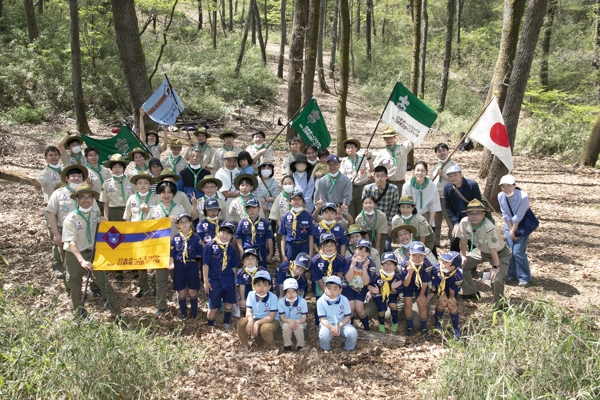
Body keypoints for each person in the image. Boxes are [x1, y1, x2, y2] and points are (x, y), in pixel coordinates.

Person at [62, 183, 122, 319]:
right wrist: (82, 261)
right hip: (75, 256)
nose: (86, 200)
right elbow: (71, 243)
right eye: (82, 197)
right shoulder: (71, 218)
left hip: (94, 254)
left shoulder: (96, 215)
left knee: (104, 284)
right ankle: (80, 314)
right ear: (77, 199)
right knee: (75, 286)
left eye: (89, 197)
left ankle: (117, 313)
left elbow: (107, 234)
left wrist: (104, 223)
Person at [45, 165, 100, 287]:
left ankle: (94, 287)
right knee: (68, 263)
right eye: (73, 176)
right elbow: (51, 214)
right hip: (65, 232)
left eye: (79, 176)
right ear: (67, 178)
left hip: (87, 232)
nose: (76, 178)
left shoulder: (88, 194)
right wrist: (56, 234)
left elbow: (97, 214)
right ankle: (71, 289)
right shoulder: (58, 193)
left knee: (91, 260)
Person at [457, 199, 512, 306]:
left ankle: (499, 304)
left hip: (499, 253)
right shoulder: (464, 222)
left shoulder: (489, 227)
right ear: (467, 214)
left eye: (478, 213)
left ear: (484, 214)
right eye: (471, 213)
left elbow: (493, 250)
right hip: (482, 250)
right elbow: (463, 240)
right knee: (462, 264)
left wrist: (496, 267)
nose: (474, 216)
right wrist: (463, 256)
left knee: (496, 279)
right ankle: (470, 292)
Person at [147, 180, 186, 316]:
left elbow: (186, 227)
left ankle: (181, 304)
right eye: (163, 192)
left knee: (179, 277)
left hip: (176, 248)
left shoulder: (179, 208)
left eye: (169, 192)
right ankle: (161, 305)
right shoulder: (154, 209)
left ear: (173, 194)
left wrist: (179, 222)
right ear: (159, 194)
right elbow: (147, 228)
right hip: (159, 249)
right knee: (160, 279)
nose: (166, 195)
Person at [27, 146, 66, 278]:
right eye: (50, 155)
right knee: (56, 237)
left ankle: (69, 263)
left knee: (69, 235)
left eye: (55, 155)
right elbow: (39, 184)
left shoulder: (65, 170)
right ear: (45, 158)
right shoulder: (46, 172)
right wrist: (33, 180)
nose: (54, 157)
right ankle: (58, 266)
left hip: (67, 208)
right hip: (52, 209)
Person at [124, 171, 158, 298]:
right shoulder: (132, 198)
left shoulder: (156, 197)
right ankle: (143, 286)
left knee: (154, 259)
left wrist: (148, 211)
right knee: (140, 260)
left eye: (146, 183)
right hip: (136, 235)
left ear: (150, 185)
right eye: (140, 183)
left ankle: (155, 286)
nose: (143, 185)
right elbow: (127, 218)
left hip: (152, 234)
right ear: (136, 186)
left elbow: (160, 216)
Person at [203, 221, 239, 329]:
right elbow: (205, 265)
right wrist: (205, 281)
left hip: (228, 279)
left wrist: (235, 281)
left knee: (228, 302)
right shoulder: (209, 246)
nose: (225, 236)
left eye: (229, 234)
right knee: (213, 306)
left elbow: (234, 267)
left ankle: (226, 322)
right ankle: (210, 325)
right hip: (214, 280)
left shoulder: (231, 249)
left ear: (232, 236)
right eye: (223, 232)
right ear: (218, 232)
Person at [498, 175, 533, 287]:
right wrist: (510, 229)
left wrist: (514, 230)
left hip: (522, 226)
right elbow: (505, 214)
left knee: (518, 251)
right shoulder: (501, 196)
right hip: (509, 225)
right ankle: (511, 274)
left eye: (508, 186)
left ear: (514, 185)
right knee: (510, 251)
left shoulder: (523, 196)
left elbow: (520, 215)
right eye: (503, 186)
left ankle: (524, 277)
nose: (506, 188)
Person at [402, 161, 440, 254]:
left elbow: (433, 206)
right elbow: (404, 204)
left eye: (422, 171)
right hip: (411, 215)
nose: (419, 173)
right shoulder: (407, 185)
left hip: (426, 216)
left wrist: (430, 223)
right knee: (413, 242)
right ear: (413, 171)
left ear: (426, 172)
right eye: (417, 170)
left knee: (429, 245)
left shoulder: (432, 186)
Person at [169, 213, 203, 320]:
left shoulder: (196, 237)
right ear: (177, 225)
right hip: (179, 266)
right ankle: (183, 312)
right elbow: (171, 254)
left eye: (187, 222)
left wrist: (191, 255)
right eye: (181, 222)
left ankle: (194, 313)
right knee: (181, 291)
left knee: (192, 291)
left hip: (192, 265)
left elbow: (200, 253)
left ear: (190, 223)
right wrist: (171, 263)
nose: (184, 224)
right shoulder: (174, 239)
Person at [237, 270, 280, 351]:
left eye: (264, 285)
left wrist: (257, 323)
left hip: (271, 320)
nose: (261, 288)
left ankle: (271, 346)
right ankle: (244, 345)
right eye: (258, 285)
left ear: (269, 287)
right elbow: (249, 312)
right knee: (242, 322)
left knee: (265, 328)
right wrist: (250, 320)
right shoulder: (251, 295)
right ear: (254, 286)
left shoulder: (273, 297)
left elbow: (271, 317)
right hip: (255, 317)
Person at [443, 165, 482, 252]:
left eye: (455, 175)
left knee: (472, 241)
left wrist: (473, 218)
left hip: (472, 216)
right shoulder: (447, 188)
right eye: (450, 176)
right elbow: (448, 206)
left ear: (461, 175)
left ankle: (472, 263)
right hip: (458, 217)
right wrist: (455, 222)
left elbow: (478, 203)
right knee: (454, 240)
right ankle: (453, 262)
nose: (453, 178)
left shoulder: (472, 185)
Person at [399, 241, 433, 339]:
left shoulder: (427, 265)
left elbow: (425, 282)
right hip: (408, 285)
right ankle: (410, 327)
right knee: (408, 303)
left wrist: (422, 295)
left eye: (420, 255)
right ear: (409, 254)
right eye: (414, 255)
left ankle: (423, 327)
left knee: (422, 304)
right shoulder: (405, 264)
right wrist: (409, 273)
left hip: (421, 286)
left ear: (424, 256)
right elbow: (405, 284)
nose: (417, 258)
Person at [311, 233, 346, 325]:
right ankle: (318, 323)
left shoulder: (340, 259)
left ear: (336, 246)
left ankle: (337, 321)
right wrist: (325, 290)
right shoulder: (316, 260)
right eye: (325, 245)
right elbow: (317, 277)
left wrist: (335, 289)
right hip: (321, 284)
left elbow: (340, 275)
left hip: (336, 284)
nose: (329, 247)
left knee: (337, 301)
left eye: (332, 245)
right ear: (320, 247)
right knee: (320, 301)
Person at [317, 275, 358, 352]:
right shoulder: (320, 301)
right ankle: (325, 349)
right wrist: (331, 327)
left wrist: (339, 326)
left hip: (342, 324)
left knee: (352, 333)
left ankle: (349, 349)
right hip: (327, 325)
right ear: (325, 288)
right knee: (323, 334)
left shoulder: (344, 299)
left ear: (340, 290)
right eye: (329, 288)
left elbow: (347, 317)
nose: (331, 291)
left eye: (335, 288)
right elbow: (323, 319)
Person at [362, 165, 400, 245]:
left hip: (385, 223)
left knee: (386, 246)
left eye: (382, 176)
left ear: (387, 177)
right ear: (373, 177)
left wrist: (389, 224)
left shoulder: (393, 189)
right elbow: (364, 207)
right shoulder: (367, 189)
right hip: (370, 222)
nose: (380, 178)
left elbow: (394, 208)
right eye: (377, 176)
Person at [343, 239, 375, 331]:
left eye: (366, 251)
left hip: (362, 288)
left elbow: (366, 283)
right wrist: (353, 265)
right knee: (351, 308)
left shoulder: (370, 263)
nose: (362, 253)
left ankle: (367, 328)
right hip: (348, 288)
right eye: (360, 249)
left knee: (359, 309)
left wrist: (364, 268)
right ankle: (349, 326)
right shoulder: (348, 260)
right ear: (355, 250)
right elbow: (348, 279)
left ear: (369, 253)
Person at [430, 251, 463, 339]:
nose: (442, 263)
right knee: (442, 303)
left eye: (445, 262)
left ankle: (456, 328)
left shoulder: (458, 275)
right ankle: (437, 325)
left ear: (452, 267)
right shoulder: (436, 270)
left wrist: (451, 298)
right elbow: (436, 283)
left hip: (452, 290)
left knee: (452, 305)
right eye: (442, 260)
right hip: (441, 289)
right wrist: (443, 295)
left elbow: (453, 289)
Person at [367, 252, 403, 333]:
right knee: (382, 308)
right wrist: (370, 292)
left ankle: (395, 322)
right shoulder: (377, 275)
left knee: (393, 304)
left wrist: (392, 288)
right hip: (378, 295)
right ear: (381, 265)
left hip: (391, 294)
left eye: (391, 264)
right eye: (385, 264)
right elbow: (370, 285)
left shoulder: (397, 276)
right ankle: (381, 324)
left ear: (395, 265)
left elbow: (396, 292)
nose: (388, 266)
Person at [431, 143, 458, 248]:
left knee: (450, 220)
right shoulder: (435, 167)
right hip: (436, 197)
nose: (442, 153)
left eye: (444, 150)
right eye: (439, 151)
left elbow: (456, 180)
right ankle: (436, 242)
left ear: (447, 151)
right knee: (436, 222)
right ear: (436, 154)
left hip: (447, 197)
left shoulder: (453, 165)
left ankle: (454, 241)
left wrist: (443, 174)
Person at [278, 190, 316, 262]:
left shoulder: (308, 216)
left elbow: (311, 236)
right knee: (290, 268)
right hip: (290, 246)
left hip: (303, 245)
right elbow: (283, 237)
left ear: (303, 201)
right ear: (290, 201)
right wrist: (283, 254)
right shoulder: (285, 216)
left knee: (303, 268)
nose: (296, 201)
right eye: (294, 199)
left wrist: (310, 253)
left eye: (299, 199)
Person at [235, 198, 274, 268]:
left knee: (262, 271)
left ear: (259, 208)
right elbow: (238, 238)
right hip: (247, 252)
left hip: (261, 251)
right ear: (246, 210)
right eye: (249, 208)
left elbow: (269, 239)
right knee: (247, 272)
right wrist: (241, 251)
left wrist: (270, 254)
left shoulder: (265, 223)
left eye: (254, 207)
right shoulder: (242, 222)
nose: (252, 210)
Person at [340, 138, 373, 219]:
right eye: (348, 148)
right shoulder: (344, 162)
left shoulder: (363, 159)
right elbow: (341, 176)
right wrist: (350, 177)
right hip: (350, 187)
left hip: (362, 187)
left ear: (356, 148)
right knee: (350, 210)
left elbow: (371, 169)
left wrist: (368, 158)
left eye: (352, 147)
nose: (350, 149)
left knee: (361, 210)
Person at [278, 278, 308, 352]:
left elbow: (303, 318)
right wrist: (289, 321)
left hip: (299, 321)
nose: (291, 294)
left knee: (299, 328)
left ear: (297, 291)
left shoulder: (303, 302)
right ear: (284, 292)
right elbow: (282, 318)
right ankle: (287, 345)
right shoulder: (281, 302)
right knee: (286, 327)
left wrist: (297, 322)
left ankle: (301, 345)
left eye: (293, 291)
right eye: (288, 291)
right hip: (286, 320)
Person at [236, 248, 267, 317]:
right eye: (247, 258)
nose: (250, 261)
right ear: (243, 262)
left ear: (257, 261)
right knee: (246, 309)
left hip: (260, 294)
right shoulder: (241, 272)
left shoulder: (262, 271)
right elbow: (241, 286)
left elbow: (266, 285)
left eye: (253, 258)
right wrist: (243, 299)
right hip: (247, 294)